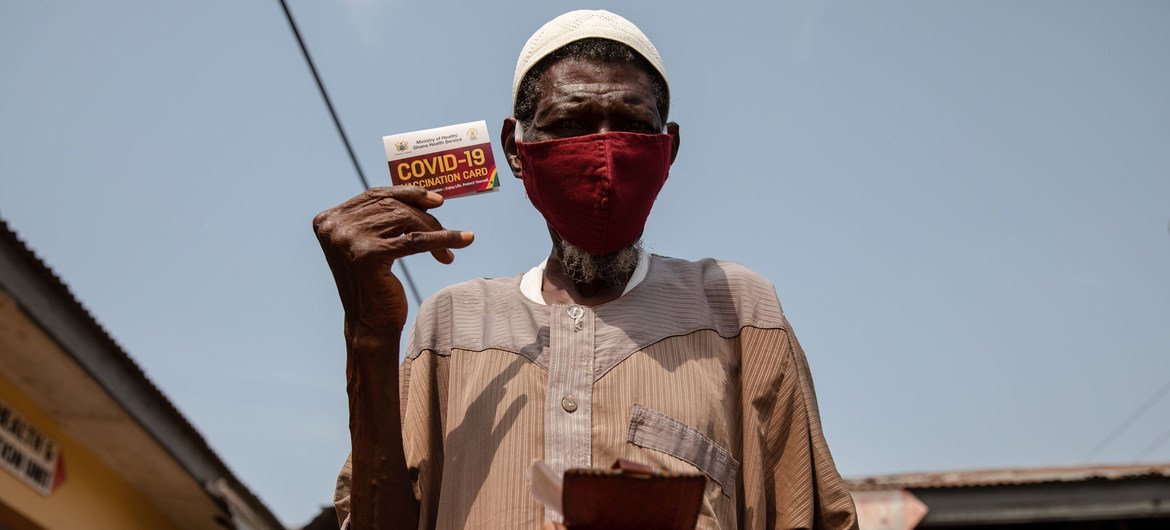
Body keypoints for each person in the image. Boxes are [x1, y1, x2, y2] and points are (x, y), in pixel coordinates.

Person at [314, 10, 859, 530]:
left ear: (667, 151)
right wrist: (368, 334)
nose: (603, 154)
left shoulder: (738, 311)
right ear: (517, 149)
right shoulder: (452, 327)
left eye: (630, 126)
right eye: (570, 124)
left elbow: (806, 513)